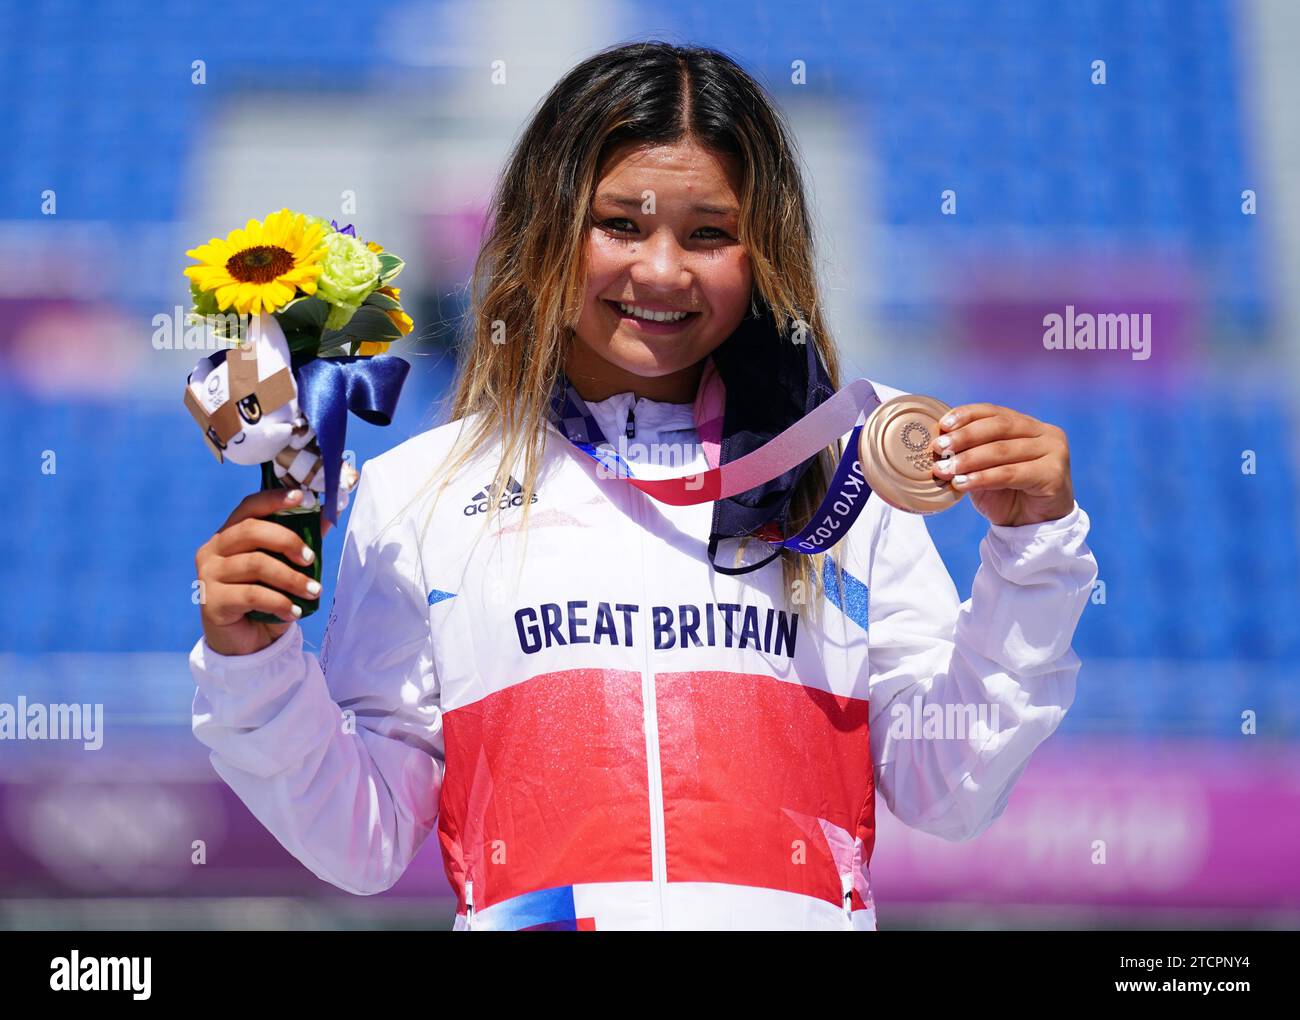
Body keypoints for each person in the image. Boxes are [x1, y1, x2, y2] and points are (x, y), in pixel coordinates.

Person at [190, 41, 1098, 931]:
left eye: (709, 234)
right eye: (620, 224)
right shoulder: (422, 492)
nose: (661, 270)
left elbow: (947, 790)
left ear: (762, 249)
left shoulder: (841, 470)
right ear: (545, 231)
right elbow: (365, 840)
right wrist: (258, 668)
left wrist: (1031, 558)